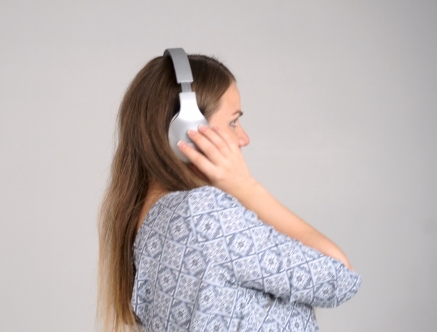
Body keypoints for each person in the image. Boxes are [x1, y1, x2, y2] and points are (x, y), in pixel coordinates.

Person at [97, 52, 361, 332]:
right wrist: (247, 188)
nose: (244, 138)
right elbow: (339, 277)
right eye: (233, 121)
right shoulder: (203, 213)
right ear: (186, 131)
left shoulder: (149, 225)